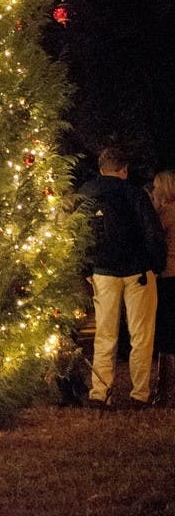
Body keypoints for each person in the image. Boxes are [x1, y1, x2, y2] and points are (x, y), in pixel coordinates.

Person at [79, 148, 166, 408]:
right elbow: (152, 232)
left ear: (101, 167)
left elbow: (79, 235)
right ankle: (140, 393)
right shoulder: (135, 194)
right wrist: (156, 265)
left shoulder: (87, 193)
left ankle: (100, 391)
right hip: (138, 271)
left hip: (103, 271)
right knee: (141, 334)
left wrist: (86, 269)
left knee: (105, 333)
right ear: (124, 169)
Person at [151, 170, 175, 405]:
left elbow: (155, 240)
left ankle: (165, 388)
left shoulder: (166, 213)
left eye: (156, 186)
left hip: (169, 276)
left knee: (167, 331)